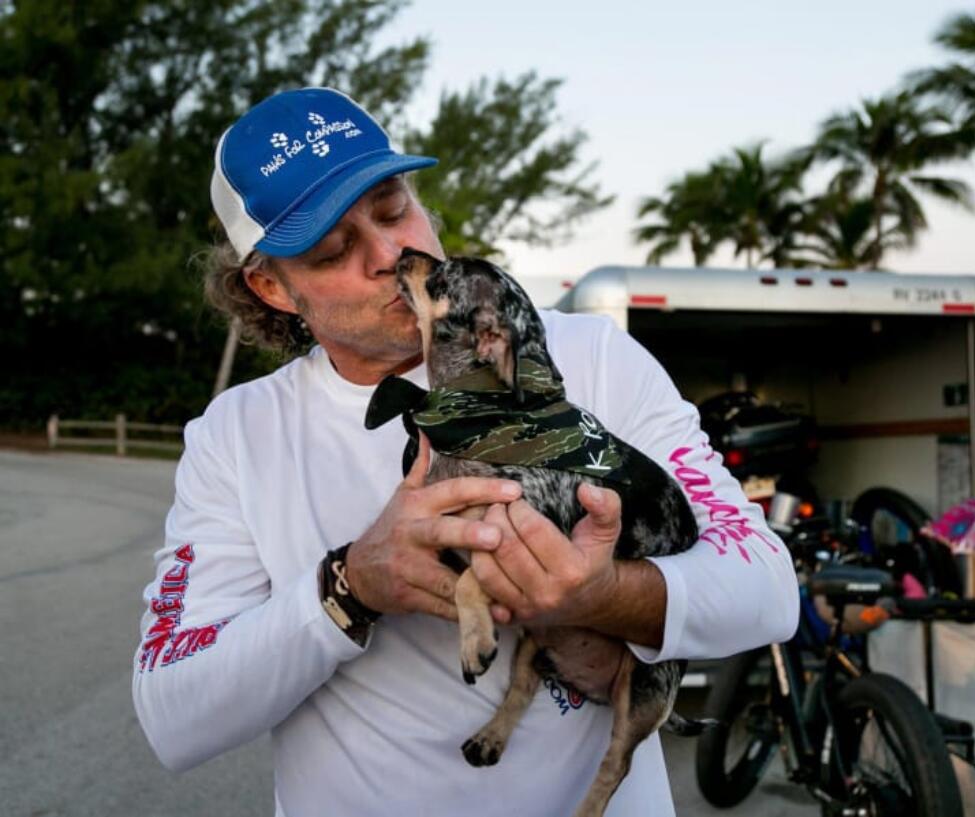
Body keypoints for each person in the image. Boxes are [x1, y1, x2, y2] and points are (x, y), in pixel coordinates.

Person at [132, 87, 797, 817]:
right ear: (271, 286)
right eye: (333, 250)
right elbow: (173, 713)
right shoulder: (235, 435)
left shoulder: (592, 354)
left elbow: (766, 586)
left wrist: (600, 593)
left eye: (392, 208)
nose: (391, 253)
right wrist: (347, 588)